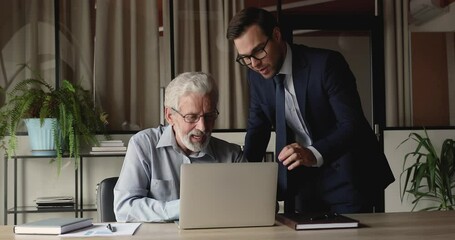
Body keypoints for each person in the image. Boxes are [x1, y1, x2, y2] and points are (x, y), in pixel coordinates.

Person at [226, 7, 394, 214]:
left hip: (347, 173)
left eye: (259, 51)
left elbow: (352, 124)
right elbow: (257, 130)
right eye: (245, 58)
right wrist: (240, 177)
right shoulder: (256, 78)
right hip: (302, 181)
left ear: (277, 35)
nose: (254, 63)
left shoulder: (325, 64)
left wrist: (312, 153)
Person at [114, 72, 245, 222]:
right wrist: (183, 208)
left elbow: (261, 205)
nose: (202, 127)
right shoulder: (143, 145)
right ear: (170, 116)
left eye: (209, 116)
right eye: (192, 117)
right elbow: (124, 208)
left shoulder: (232, 156)